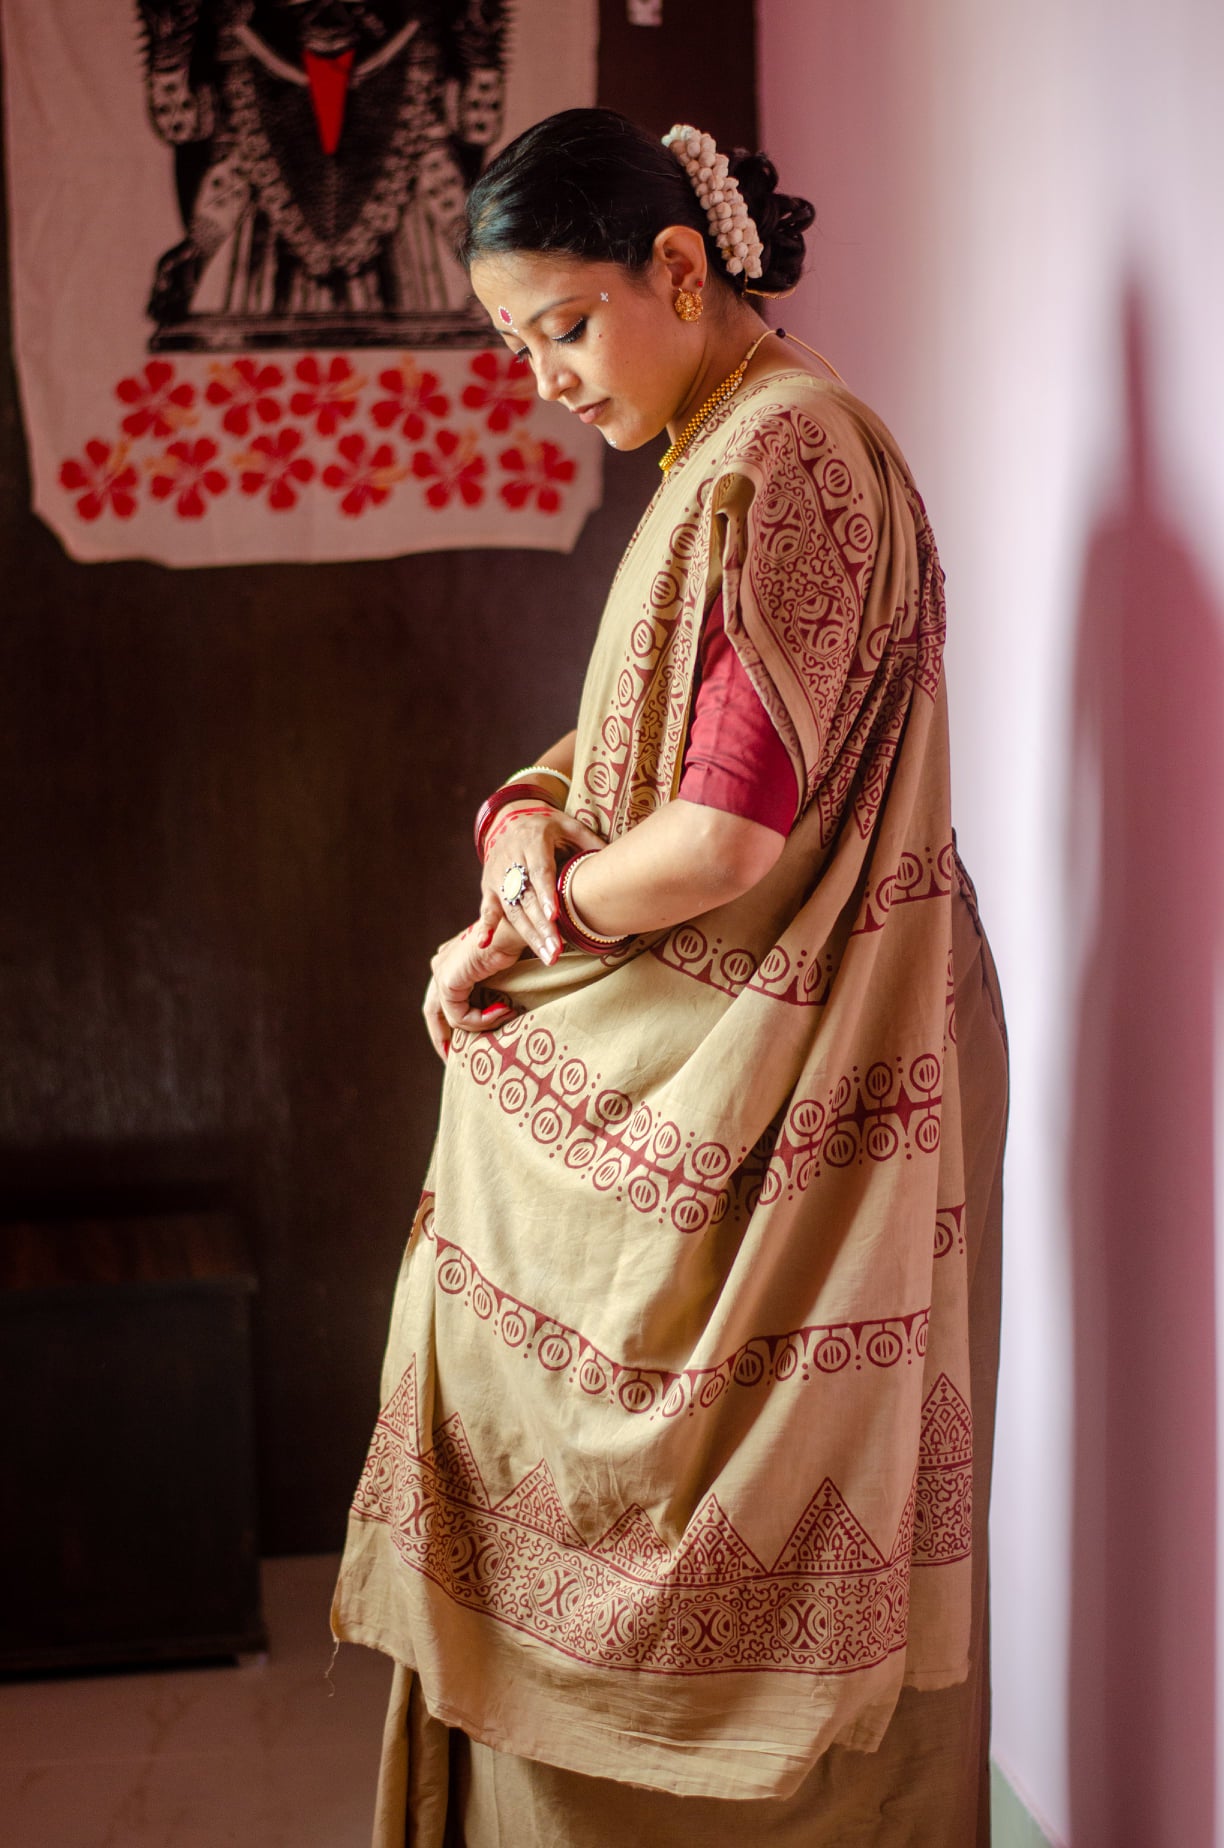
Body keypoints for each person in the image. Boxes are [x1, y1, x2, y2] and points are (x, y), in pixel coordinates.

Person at [331, 107, 1008, 1847]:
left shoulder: (790, 453)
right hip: (781, 1030)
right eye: (517, 346)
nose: (546, 378)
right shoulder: (729, 447)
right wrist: (519, 822)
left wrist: (522, 926)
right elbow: (633, 752)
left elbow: (718, 840)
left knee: (781, 1515)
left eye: (565, 325)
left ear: (681, 270)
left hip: (818, 1055)